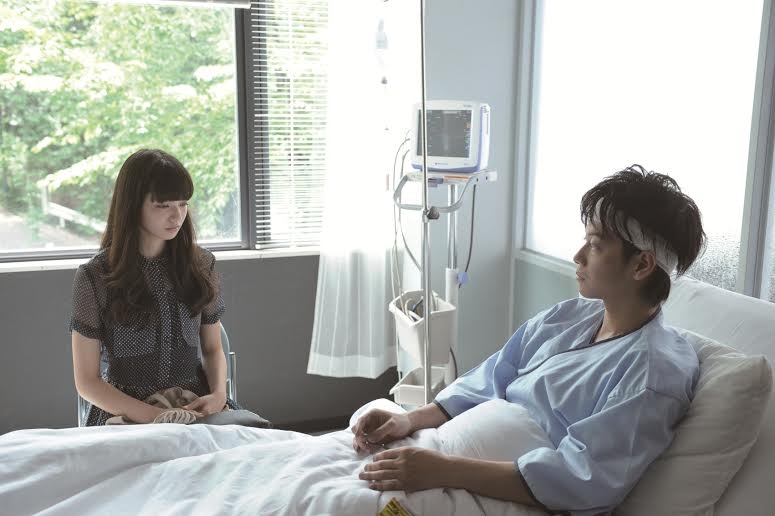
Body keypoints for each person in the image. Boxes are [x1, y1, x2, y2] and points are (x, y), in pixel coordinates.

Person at [352, 165, 706, 515]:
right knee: (329, 476)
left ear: (641, 265)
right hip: (441, 456)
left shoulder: (651, 373)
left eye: (595, 246)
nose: (578, 256)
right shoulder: (567, 317)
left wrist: (441, 470)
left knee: (351, 505)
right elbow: (489, 379)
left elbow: (582, 480)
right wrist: (409, 421)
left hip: (496, 495)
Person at [70, 148, 238, 426]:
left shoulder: (201, 265)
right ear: (132, 205)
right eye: (163, 206)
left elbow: (212, 349)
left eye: (183, 204)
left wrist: (219, 395)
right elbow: (87, 382)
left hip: (195, 405)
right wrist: (158, 418)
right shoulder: (95, 276)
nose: (177, 216)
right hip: (126, 413)